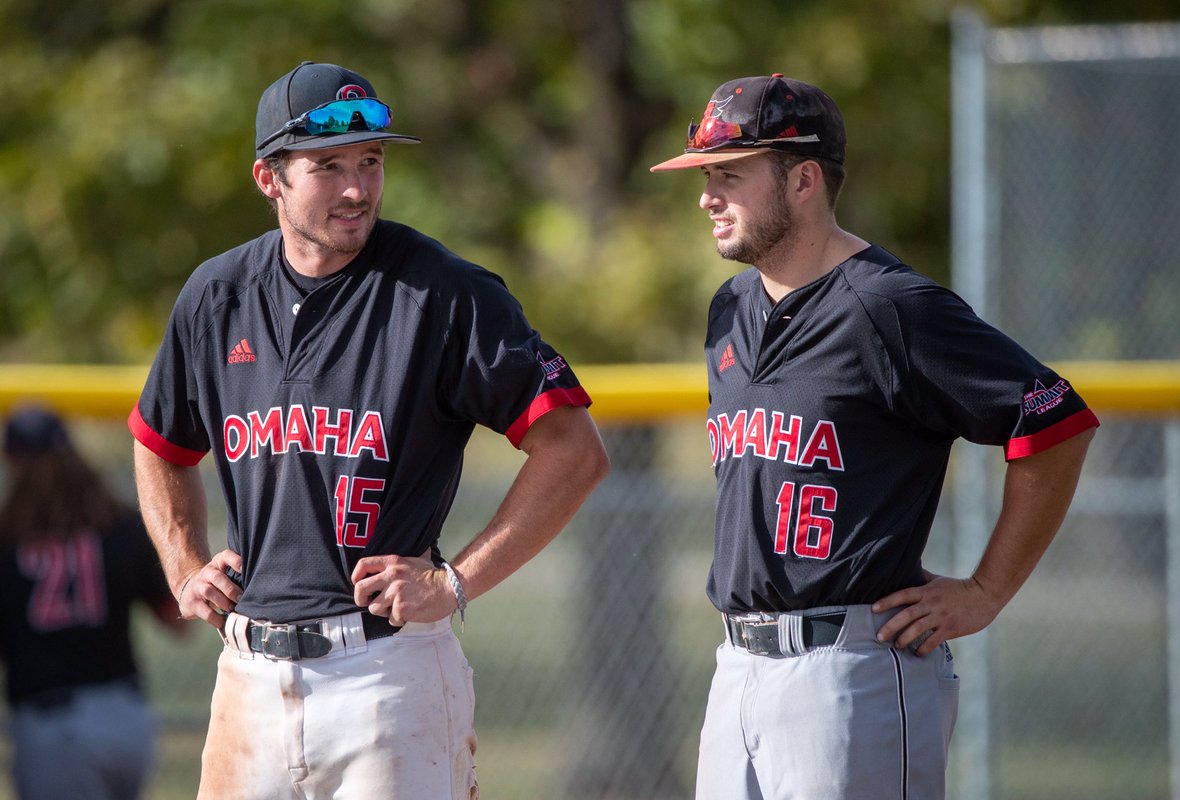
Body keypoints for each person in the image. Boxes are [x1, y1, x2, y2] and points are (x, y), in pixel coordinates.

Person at [128, 61, 608, 799]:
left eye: (371, 161)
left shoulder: (443, 292)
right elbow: (159, 446)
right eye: (327, 166)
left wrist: (457, 581)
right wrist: (183, 564)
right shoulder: (216, 296)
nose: (357, 188)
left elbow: (573, 449)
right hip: (249, 670)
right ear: (270, 179)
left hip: (387, 673)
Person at [651, 74, 1098, 800]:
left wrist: (986, 591)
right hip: (736, 667)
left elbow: (1055, 421)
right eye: (707, 176)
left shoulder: (890, 306)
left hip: (848, 671)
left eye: (730, 175)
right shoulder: (730, 308)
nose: (708, 196)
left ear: (802, 180)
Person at [0, 405, 185, 800]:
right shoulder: (118, 524)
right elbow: (176, 620)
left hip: (52, 726)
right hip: (127, 719)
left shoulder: (7, 541)